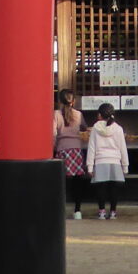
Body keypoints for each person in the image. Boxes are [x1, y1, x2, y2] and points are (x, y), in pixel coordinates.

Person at [87, 102, 130, 219]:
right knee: (114, 188)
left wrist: (90, 166)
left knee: (101, 188)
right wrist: (125, 166)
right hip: (115, 161)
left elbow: (92, 148)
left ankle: (101, 211)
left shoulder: (95, 128)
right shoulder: (118, 129)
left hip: (100, 161)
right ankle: (113, 212)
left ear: (100, 115)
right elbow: (123, 148)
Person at [54, 89, 88, 218]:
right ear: (73, 101)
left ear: (60, 101)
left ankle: (60, 210)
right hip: (76, 150)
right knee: (77, 181)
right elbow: (84, 127)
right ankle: (77, 211)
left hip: (62, 149)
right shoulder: (78, 114)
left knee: (61, 182)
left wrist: (54, 147)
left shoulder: (56, 114)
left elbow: (53, 133)